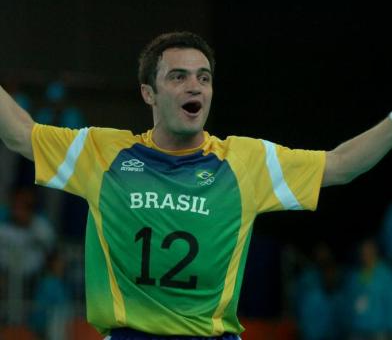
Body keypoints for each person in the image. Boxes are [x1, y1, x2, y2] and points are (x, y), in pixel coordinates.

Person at [0, 31, 391, 340]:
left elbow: (342, 165)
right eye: (178, 76)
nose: (195, 86)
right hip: (128, 336)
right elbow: (20, 133)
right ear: (148, 93)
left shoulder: (245, 161)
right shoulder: (103, 153)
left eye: (204, 78)